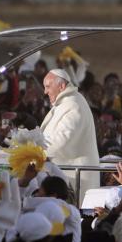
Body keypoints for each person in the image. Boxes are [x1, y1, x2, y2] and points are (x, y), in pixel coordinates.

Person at [41, 68, 99, 198]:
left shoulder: (74, 105)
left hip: (76, 177)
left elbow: (60, 142)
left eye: (48, 86)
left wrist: (32, 152)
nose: (45, 91)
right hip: (63, 173)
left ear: (61, 86)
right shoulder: (65, 103)